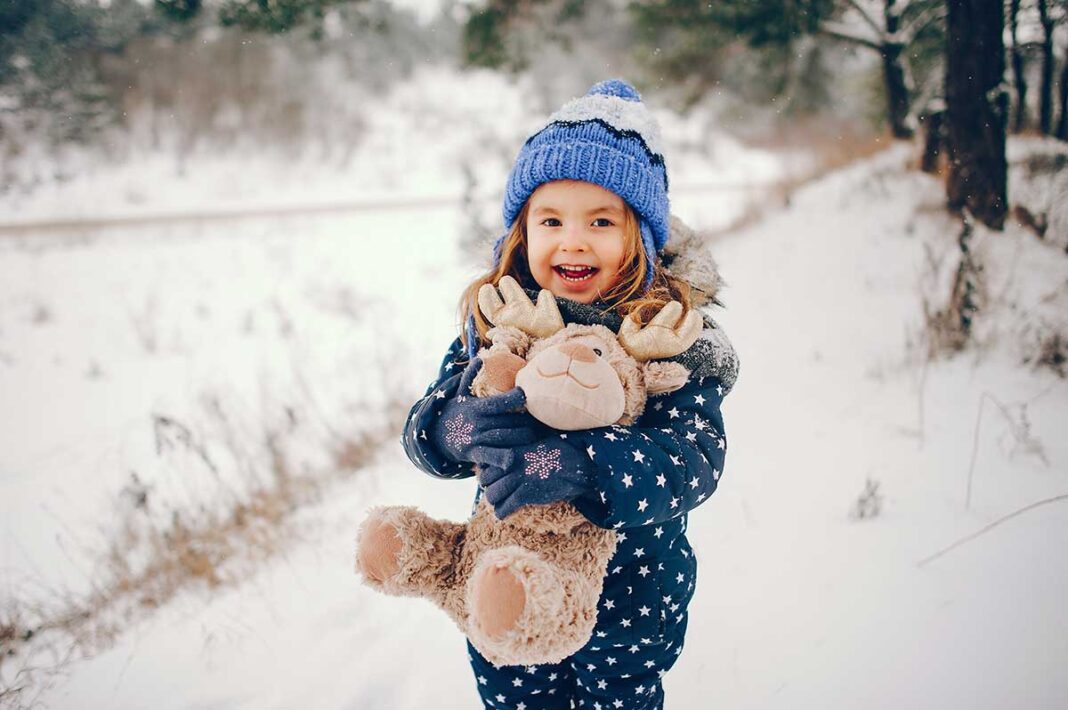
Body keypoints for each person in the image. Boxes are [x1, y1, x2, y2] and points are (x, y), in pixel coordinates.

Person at [401, 79, 739, 710]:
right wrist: (455, 429)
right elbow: (423, 430)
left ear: (639, 234)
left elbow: (694, 460)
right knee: (514, 695)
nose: (573, 240)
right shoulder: (497, 321)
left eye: (601, 222)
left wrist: (580, 466)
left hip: (629, 596)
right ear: (521, 232)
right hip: (505, 581)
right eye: (550, 220)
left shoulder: (669, 338)